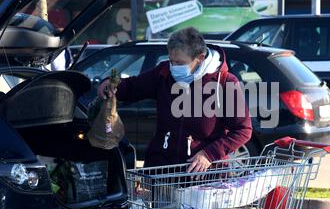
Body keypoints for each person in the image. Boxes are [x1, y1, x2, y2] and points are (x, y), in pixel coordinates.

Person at [98, 27, 252, 172]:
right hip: (161, 170)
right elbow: (133, 87)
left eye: (179, 63)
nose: (173, 66)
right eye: (171, 60)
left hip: (204, 177)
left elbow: (243, 130)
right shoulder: (163, 72)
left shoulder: (226, 82)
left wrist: (209, 154)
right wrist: (111, 83)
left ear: (200, 58)